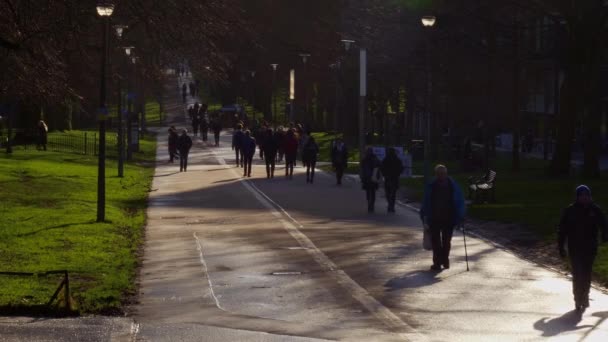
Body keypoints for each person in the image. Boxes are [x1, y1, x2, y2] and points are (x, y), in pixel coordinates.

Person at [558, 185, 608, 311]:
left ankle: (585, 296)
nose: (585, 198)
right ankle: (577, 297)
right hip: (574, 247)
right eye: (582, 195)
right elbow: (562, 230)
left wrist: (604, 236)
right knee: (577, 273)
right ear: (577, 197)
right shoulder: (570, 210)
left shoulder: (595, 210)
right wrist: (561, 247)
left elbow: (603, 224)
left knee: (586, 273)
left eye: (587, 195)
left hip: (590, 247)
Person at [420, 165, 466, 271]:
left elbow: (459, 201)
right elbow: (426, 201)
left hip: (448, 218)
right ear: (436, 174)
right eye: (439, 174)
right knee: (436, 242)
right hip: (434, 218)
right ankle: (437, 262)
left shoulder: (453, 186)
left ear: (446, 174)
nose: (441, 176)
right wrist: (424, 214)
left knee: (446, 241)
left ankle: (444, 260)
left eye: (443, 174)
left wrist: (461, 214)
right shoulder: (432, 185)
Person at [381, 147, 404, 213]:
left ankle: (390, 205)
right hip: (394, 178)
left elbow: (382, 168)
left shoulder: (386, 159)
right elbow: (401, 168)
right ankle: (391, 206)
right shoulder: (397, 160)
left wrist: (384, 174)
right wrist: (398, 173)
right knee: (393, 193)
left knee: (388, 193)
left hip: (388, 178)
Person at [360, 148, 381, 213]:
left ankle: (370, 203)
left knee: (369, 191)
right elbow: (379, 166)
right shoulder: (375, 159)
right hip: (373, 177)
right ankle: (371, 204)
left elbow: (362, 169)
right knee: (372, 191)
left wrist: (362, 177)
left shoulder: (365, 159)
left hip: (367, 177)